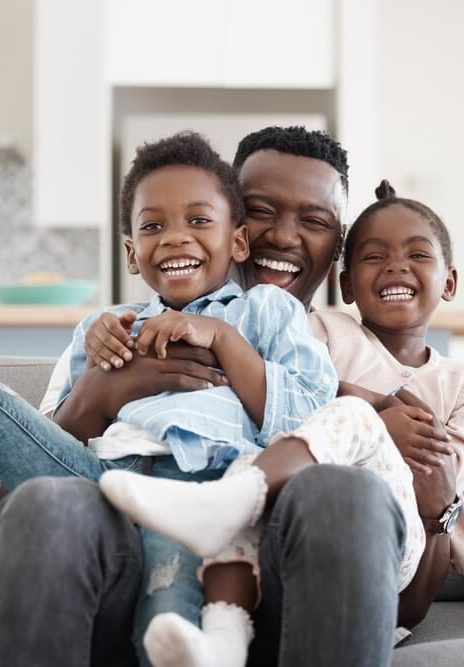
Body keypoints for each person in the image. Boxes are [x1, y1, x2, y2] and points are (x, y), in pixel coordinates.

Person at [0, 127, 455, 667]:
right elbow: (17, 493)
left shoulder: (357, 351)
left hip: (294, 590)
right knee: (44, 502)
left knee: (347, 493)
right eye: (259, 210)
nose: (282, 236)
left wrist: (423, 485)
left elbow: (407, 600)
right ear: (232, 222)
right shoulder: (121, 332)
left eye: (315, 222)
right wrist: (102, 389)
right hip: (123, 570)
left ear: (339, 244)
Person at [98, 179, 463, 666]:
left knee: (349, 418)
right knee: (255, 460)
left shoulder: (456, 385)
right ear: (346, 283)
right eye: (374, 257)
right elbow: (291, 389)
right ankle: (222, 639)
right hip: (283, 537)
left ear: (450, 281)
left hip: (393, 546)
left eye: (418, 256)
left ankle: (230, 498)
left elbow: (437, 505)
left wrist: (439, 504)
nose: (396, 267)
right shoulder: (322, 330)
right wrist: (382, 410)